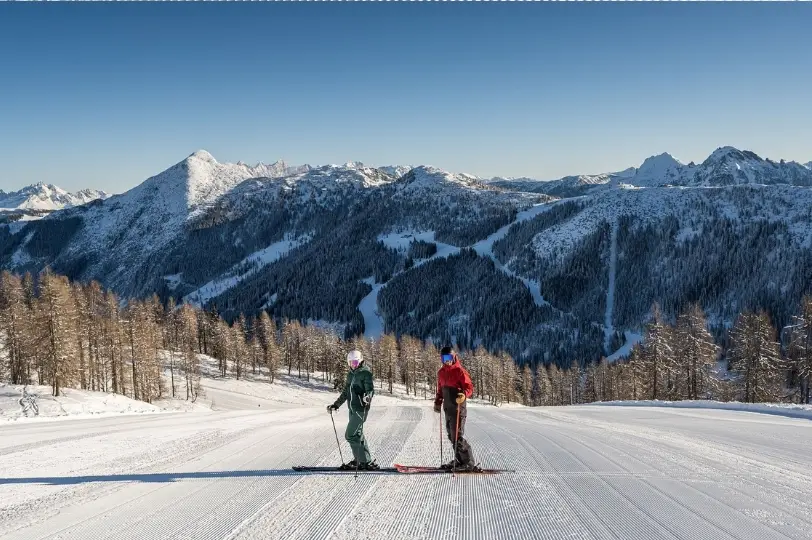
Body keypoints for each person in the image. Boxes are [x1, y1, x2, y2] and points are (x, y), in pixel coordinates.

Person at [327, 349, 378, 470]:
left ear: (360, 361)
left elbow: (370, 389)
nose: (353, 365)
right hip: (352, 409)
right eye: (350, 363)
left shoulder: (366, 373)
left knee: (350, 435)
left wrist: (367, 398)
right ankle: (365, 461)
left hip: (361, 409)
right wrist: (336, 405)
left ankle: (361, 461)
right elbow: (346, 392)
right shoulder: (350, 374)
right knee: (358, 435)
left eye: (355, 363)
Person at [434, 346, 478, 471]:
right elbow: (440, 390)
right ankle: (459, 460)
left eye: (448, 358)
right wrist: (438, 402)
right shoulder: (441, 373)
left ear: (453, 357)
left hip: (458, 407)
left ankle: (468, 463)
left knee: (457, 436)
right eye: (443, 358)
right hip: (447, 408)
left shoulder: (460, 371)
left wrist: (464, 394)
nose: (446, 360)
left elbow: (469, 387)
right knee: (451, 436)